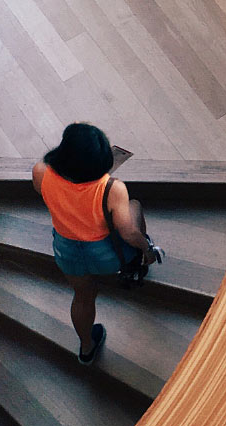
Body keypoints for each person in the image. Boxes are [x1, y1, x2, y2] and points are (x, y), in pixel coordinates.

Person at [32, 123, 155, 365]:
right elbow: (128, 232)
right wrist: (147, 249)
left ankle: (87, 348)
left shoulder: (40, 171)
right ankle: (142, 261)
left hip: (67, 251)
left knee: (82, 296)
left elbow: (50, 194)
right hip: (105, 254)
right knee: (135, 207)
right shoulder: (113, 189)